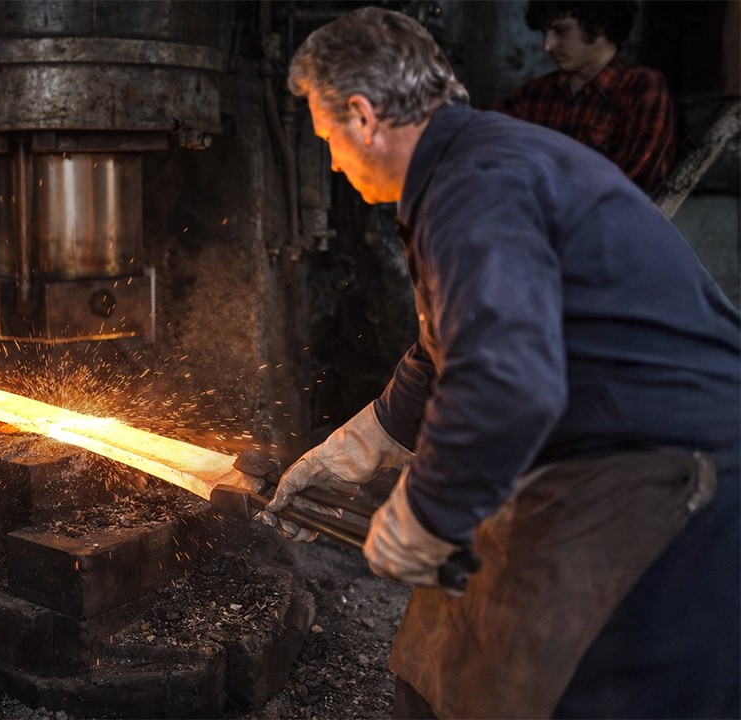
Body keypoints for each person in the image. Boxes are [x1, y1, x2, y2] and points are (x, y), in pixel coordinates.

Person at [263, 7, 739, 718]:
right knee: (443, 652)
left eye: (328, 136)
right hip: (613, 448)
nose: (331, 158)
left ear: (362, 117)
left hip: (672, 472)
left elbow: (507, 379)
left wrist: (426, 512)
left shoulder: (474, 184)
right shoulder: (475, 164)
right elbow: (453, 339)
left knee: (569, 686)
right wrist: (371, 440)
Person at [490, 1, 676, 194]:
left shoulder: (641, 88)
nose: (547, 46)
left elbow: (635, 182)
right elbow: (480, 130)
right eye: (544, 33)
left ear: (599, 26)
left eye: (560, 31)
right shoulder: (537, 93)